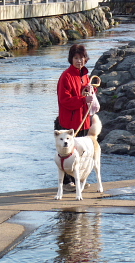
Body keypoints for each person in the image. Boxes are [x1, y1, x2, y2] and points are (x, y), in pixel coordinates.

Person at [56, 44, 94, 191]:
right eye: (76, 58)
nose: (79, 61)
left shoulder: (85, 75)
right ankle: (67, 182)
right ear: (71, 59)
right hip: (69, 121)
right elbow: (64, 100)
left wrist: (91, 90)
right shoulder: (66, 76)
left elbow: (86, 91)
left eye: (81, 58)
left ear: (85, 59)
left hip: (83, 119)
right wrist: (83, 100)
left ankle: (77, 179)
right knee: (67, 152)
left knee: (81, 152)